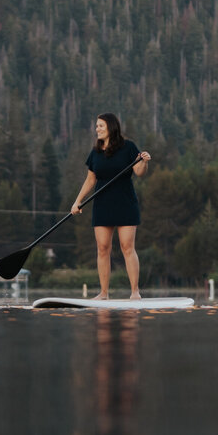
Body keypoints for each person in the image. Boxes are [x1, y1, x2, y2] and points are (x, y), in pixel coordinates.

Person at [70, 112, 151, 298]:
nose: (96, 129)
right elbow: (90, 179)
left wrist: (144, 161)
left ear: (111, 127)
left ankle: (135, 292)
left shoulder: (128, 147)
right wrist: (78, 201)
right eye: (96, 126)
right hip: (102, 203)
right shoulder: (96, 152)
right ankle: (104, 293)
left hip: (125, 202)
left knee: (127, 247)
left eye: (100, 126)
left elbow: (139, 172)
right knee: (103, 248)